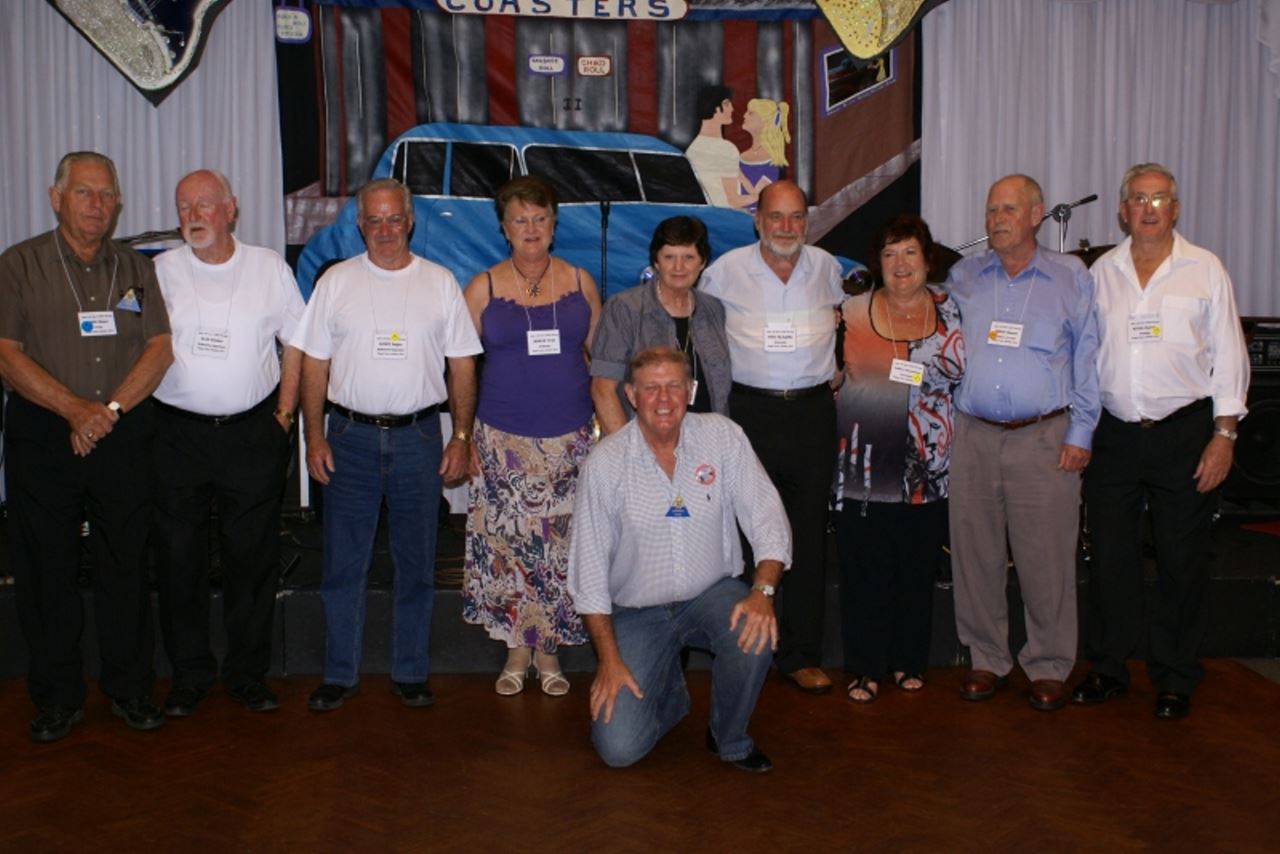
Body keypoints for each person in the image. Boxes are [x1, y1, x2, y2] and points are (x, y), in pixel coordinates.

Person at [0, 151, 173, 741]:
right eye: (84, 192)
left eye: (106, 194)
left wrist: (109, 411)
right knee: (45, 567)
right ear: (56, 199)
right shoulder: (18, 264)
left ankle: (130, 688)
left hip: (121, 431)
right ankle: (57, 696)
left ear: (117, 203)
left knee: (126, 564)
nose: (97, 204)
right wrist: (74, 410)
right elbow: (6, 353)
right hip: (44, 432)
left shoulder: (136, 268)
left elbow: (159, 347)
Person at [293, 178, 481, 712]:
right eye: (373, 220)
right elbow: (314, 362)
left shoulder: (440, 283)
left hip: (419, 438)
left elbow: (462, 365)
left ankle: (410, 671)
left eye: (393, 218)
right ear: (359, 225)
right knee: (343, 562)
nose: (384, 230)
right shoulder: (337, 282)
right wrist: (312, 435)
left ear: (410, 220)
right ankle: (339, 674)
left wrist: (460, 436)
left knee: (416, 562)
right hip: (347, 437)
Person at [1073, 163, 1249, 720]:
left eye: (1159, 199)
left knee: (1181, 559)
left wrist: (1224, 435)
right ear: (1121, 210)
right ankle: (1108, 667)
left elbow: (1230, 356)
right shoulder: (1101, 272)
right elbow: (1084, 355)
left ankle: (1174, 676)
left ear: (1175, 208)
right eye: (1138, 199)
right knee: (1110, 558)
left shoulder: (1205, 269)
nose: (1148, 208)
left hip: (1183, 434)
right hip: (1114, 435)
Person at [567, 347, 791, 772]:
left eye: (674, 386)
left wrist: (763, 591)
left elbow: (766, 514)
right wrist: (609, 660)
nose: (663, 398)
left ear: (691, 390)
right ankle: (670, 692)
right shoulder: (605, 464)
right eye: (651, 388)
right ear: (631, 395)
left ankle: (729, 737)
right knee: (619, 750)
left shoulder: (723, 437)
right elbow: (588, 571)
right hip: (635, 612)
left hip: (711, 595)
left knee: (756, 629)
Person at [150, 169, 305, 716]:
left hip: (252, 433)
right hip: (177, 435)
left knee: (252, 560)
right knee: (178, 560)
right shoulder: (159, 271)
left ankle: (246, 674)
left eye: (205, 204)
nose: (194, 215)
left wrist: (284, 414)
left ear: (231, 209)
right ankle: (189, 675)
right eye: (184, 206)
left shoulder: (268, 267)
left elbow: (297, 342)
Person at [945, 174, 1100, 712]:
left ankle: (1049, 662)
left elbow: (1088, 357)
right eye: (991, 210)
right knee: (974, 554)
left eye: (1009, 209)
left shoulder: (1069, 277)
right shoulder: (964, 276)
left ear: (1037, 214)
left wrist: (1081, 431)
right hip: (972, 435)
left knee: (1047, 558)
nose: (997, 219)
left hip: (1044, 436)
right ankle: (986, 657)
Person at [699, 180, 845, 695]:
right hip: (750, 413)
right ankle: (745, 651)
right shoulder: (725, 272)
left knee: (807, 534)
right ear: (757, 220)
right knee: (746, 533)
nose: (786, 227)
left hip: (812, 414)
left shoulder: (827, 268)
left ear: (808, 220)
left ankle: (800, 654)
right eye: (776, 217)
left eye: (796, 217)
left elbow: (842, 324)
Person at [460, 175, 601, 696]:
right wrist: (462, 436)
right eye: (520, 219)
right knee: (511, 547)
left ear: (554, 224)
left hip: (570, 441)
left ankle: (549, 650)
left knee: (558, 549)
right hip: (502, 442)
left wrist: (610, 435)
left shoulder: (580, 281)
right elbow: (459, 366)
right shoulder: (482, 287)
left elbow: (601, 361)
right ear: (504, 228)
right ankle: (517, 649)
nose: (531, 228)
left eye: (540, 218)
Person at [834, 216, 965, 702]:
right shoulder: (850, 312)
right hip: (865, 467)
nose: (900, 263)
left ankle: (909, 660)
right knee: (864, 572)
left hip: (929, 468)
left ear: (927, 259)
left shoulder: (952, 310)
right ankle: (865, 667)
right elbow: (830, 377)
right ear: (878, 264)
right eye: (889, 254)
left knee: (916, 570)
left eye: (910, 252)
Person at [590, 215, 731, 434]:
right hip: (644, 442)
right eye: (669, 257)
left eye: (688, 257)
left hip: (707, 441)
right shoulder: (624, 309)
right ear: (656, 261)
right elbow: (603, 389)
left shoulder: (713, 310)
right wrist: (628, 448)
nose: (678, 267)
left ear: (702, 262)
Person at [685, 85, 755, 210]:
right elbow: (732, 201)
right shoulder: (726, 149)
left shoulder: (692, 149)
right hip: (725, 216)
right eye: (727, 104)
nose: (732, 109)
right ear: (716, 108)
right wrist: (759, 197)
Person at [738, 98, 790, 211]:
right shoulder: (741, 155)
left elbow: (756, 198)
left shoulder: (772, 162)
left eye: (750, 113)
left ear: (764, 122)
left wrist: (741, 177)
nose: (744, 115)